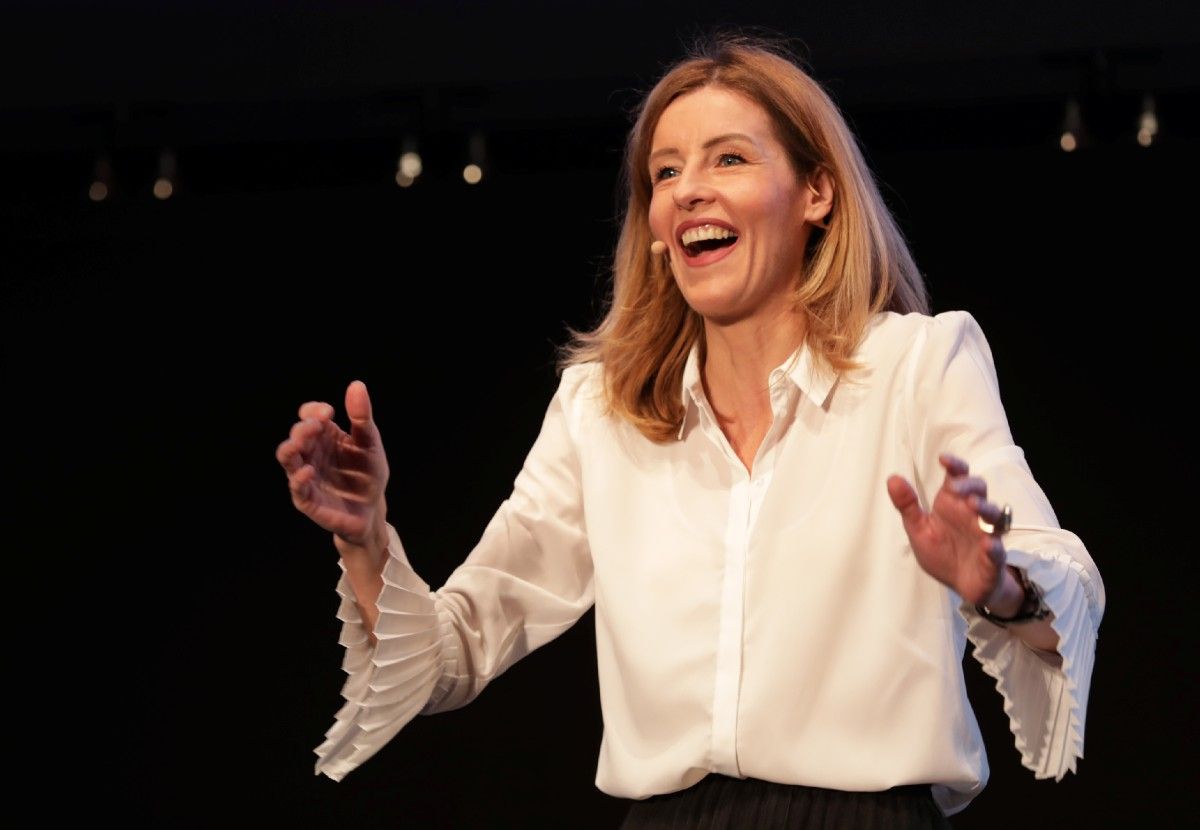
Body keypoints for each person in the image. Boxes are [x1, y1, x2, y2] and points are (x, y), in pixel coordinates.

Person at [275, 33, 1104, 828]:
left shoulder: (916, 364)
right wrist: (366, 541)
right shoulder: (599, 409)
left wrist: (995, 585)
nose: (687, 190)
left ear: (817, 192)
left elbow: (1067, 588)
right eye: (665, 172)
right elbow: (451, 654)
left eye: (728, 159)